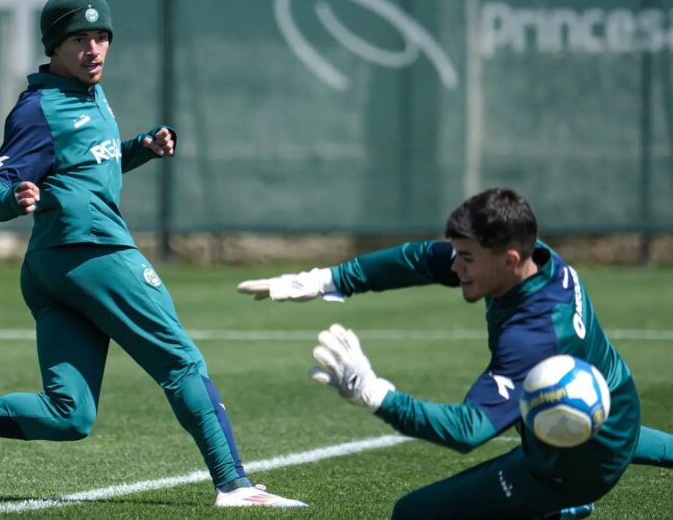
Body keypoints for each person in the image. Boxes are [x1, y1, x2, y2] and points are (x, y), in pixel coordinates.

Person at [0, 0, 306, 509]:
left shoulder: (90, 93)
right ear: (53, 47)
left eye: (101, 36)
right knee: (182, 364)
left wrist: (141, 149)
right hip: (92, 253)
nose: (94, 48)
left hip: (55, 268)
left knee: (70, 416)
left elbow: (88, 163)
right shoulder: (39, 108)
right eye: (79, 38)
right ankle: (236, 485)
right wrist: (15, 197)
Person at [237, 187, 672, 519]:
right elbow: (420, 259)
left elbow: (467, 429)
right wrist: (326, 280)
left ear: (509, 258)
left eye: (465, 257)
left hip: (569, 465)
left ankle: (563, 505)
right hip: (618, 410)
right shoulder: (542, 259)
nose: (454, 266)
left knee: (412, 514)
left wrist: (371, 392)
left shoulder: (534, 337)